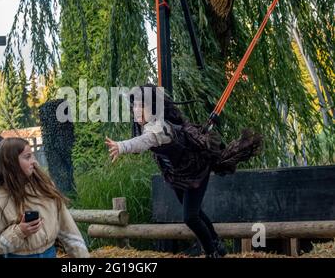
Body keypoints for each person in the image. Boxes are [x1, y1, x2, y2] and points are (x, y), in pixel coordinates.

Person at [105, 85, 262, 258]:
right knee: (196, 214)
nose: (136, 110)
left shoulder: (159, 127)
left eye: (141, 106)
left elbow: (143, 141)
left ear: (153, 108)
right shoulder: (147, 125)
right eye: (134, 106)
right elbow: (142, 142)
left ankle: (212, 253)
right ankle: (217, 244)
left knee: (190, 217)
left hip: (195, 170)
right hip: (178, 175)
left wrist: (121, 146)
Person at [0, 137, 90, 258]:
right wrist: (20, 232)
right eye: (27, 157)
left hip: (50, 253)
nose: (34, 161)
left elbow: (67, 227)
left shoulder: (45, 187)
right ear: (11, 162)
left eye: (33, 156)